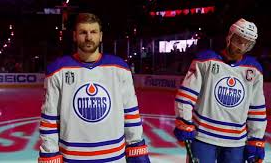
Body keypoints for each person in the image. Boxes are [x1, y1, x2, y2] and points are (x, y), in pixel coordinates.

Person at [38, 13, 150, 162]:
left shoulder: (119, 68)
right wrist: (49, 154)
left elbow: (131, 114)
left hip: (114, 158)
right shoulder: (58, 70)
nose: (89, 37)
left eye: (93, 32)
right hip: (72, 158)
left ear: (101, 36)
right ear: (74, 36)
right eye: (83, 32)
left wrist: (136, 148)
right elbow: (49, 119)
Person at [173, 18, 267, 163]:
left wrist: (256, 139)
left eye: (247, 44)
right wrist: (184, 122)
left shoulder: (254, 70)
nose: (241, 47)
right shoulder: (205, 61)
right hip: (203, 137)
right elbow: (186, 96)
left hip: (236, 143)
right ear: (229, 37)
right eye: (238, 41)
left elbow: (257, 109)